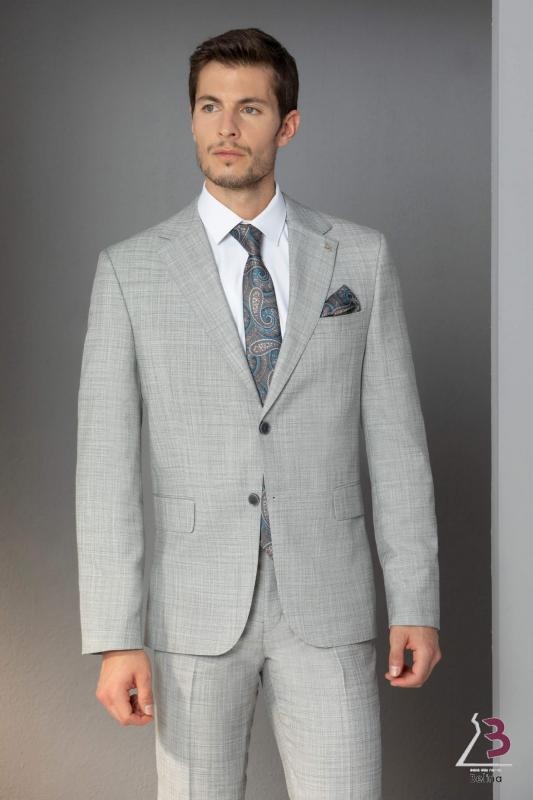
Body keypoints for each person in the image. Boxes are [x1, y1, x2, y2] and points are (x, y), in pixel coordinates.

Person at [75, 26, 442, 800]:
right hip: (193, 611)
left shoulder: (360, 257)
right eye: (209, 106)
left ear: (287, 124)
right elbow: (104, 468)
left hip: (328, 602)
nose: (226, 127)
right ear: (190, 118)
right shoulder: (130, 270)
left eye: (249, 108)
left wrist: (416, 603)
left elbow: (397, 445)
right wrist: (115, 636)